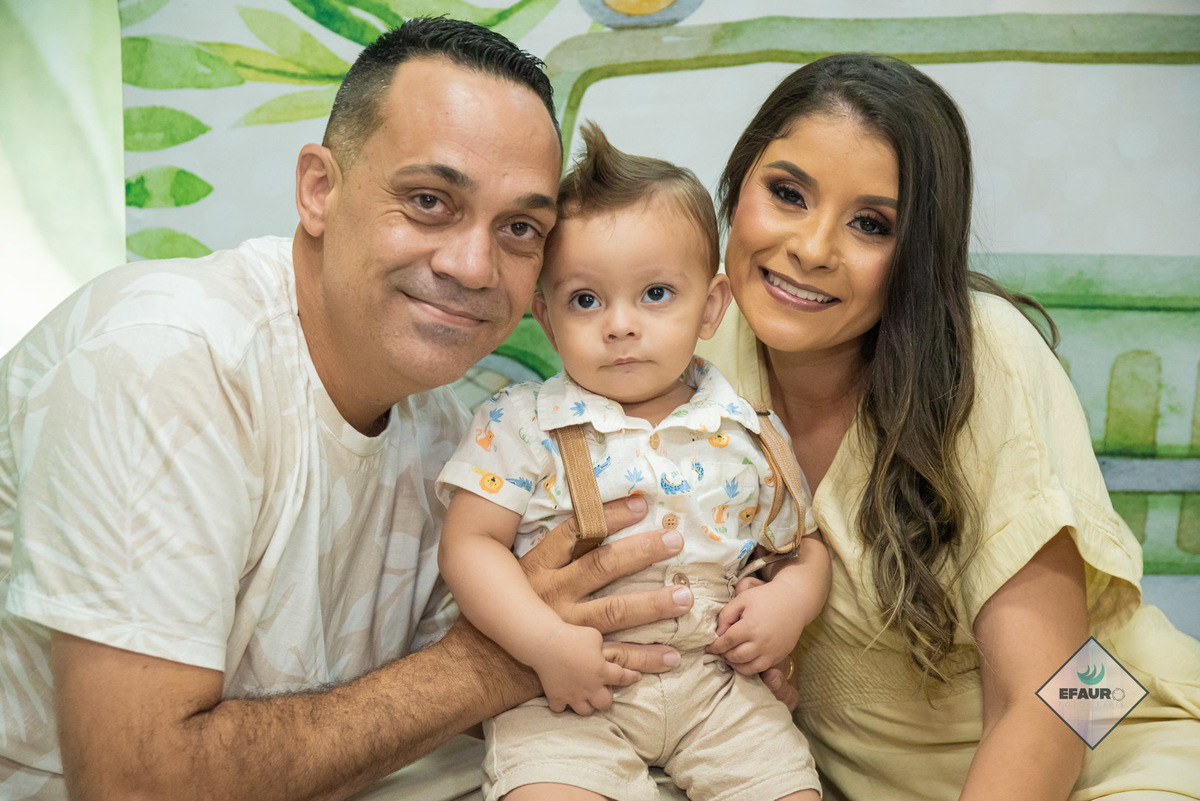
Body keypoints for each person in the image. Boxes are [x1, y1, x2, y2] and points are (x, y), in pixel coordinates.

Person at [0, 18, 696, 801]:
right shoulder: (165, 362)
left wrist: (701, 652)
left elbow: (501, 668)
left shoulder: (453, 425)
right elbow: (136, 785)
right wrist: (490, 662)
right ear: (319, 190)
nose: (474, 265)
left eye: (519, 229)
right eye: (429, 201)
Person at [699, 52, 1200, 799]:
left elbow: (1058, 693)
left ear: (919, 252)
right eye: (788, 194)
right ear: (737, 185)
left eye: (870, 224)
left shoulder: (984, 355)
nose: (811, 248)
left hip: (1103, 734)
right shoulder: (688, 349)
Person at [436, 123, 829, 801]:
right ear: (547, 319)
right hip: (564, 689)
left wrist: (789, 603)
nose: (620, 324)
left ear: (710, 307)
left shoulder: (748, 428)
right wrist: (543, 643)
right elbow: (469, 545)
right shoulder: (522, 421)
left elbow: (802, 546)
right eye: (586, 300)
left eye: (655, 294)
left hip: (717, 687)